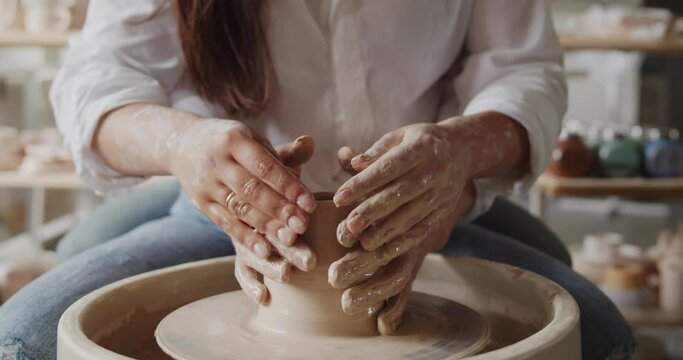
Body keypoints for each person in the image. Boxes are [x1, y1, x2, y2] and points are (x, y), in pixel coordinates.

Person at [0, 1, 635, 359]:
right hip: (232, 212)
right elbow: (94, 82)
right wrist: (183, 145)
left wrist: (460, 148)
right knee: (24, 340)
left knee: (603, 338)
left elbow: (526, 70)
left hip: (428, 202)